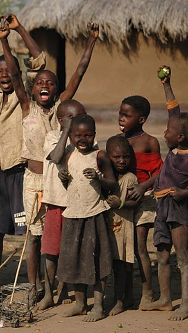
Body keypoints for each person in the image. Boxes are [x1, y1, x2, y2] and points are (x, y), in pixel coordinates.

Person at [0, 18, 99, 291]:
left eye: (51, 83)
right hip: (32, 181)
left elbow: (78, 73)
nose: (45, 85)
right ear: (32, 89)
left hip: (60, 180)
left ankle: (61, 285)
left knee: (60, 234)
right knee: (33, 236)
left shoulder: (62, 111)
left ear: (56, 91)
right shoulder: (27, 106)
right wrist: (5, 39)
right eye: (40, 82)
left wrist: (91, 41)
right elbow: (16, 74)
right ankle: (35, 284)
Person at [0, 14, 44, 284]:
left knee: (31, 230)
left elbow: (38, 61)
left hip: (21, 172)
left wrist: (17, 30)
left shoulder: (24, 92)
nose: (4, 75)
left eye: (8, 71)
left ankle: (36, 282)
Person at [140, 66, 188, 321]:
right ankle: (165, 299)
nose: (165, 132)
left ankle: (185, 304)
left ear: (181, 137)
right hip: (162, 207)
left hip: (178, 211)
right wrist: (166, 84)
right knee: (162, 256)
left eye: (169, 132)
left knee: (182, 258)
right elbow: (174, 110)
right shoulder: (174, 150)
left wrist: (187, 192)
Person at [57, 114, 116, 322]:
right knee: (74, 260)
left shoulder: (99, 156)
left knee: (97, 259)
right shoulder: (69, 155)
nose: (83, 140)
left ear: (94, 135)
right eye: (78, 135)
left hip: (94, 214)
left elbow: (113, 184)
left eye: (88, 135)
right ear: (71, 136)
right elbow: (70, 184)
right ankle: (80, 304)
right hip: (73, 214)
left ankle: (98, 306)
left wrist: (99, 177)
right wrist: (62, 178)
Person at [37, 100, 86, 310]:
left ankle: (66, 289)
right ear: (62, 121)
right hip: (56, 202)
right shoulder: (53, 137)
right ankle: (49, 293)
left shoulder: (86, 141)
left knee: (72, 250)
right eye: (75, 119)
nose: (81, 123)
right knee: (51, 250)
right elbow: (56, 157)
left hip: (78, 205)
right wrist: (66, 131)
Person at [118, 94, 163, 307]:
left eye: (126, 115)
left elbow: (159, 173)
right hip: (123, 203)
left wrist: (143, 186)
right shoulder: (120, 143)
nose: (121, 119)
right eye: (120, 114)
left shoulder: (150, 142)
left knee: (140, 248)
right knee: (124, 250)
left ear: (141, 119)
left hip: (143, 200)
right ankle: (127, 295)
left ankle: (147, 293)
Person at [104, 136, 139, 316]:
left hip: (123, 226)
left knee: (122, 265)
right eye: (116, 157)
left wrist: (121, 204)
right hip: (107, 227)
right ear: (108, 156)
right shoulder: (104, 177)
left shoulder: (130, 178)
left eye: (125, 157)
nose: (122, 161)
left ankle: (120, 300)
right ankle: (121, 298)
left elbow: (135, 203)